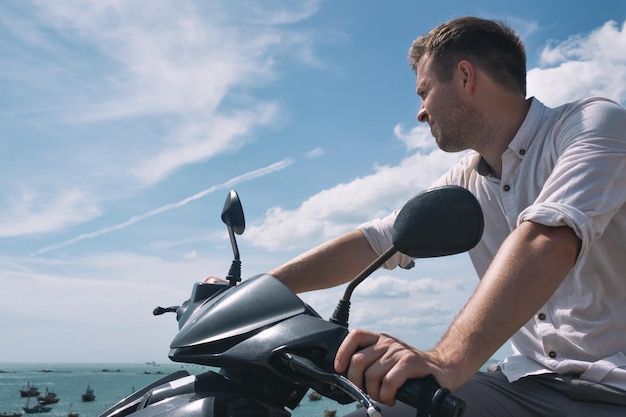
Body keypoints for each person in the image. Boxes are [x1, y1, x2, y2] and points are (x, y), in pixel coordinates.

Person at [207, 16, 626, 416]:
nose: (420, 112)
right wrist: (250, 294)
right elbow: (376, 241)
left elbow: (546, 239)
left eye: (424, 92)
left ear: (465, 77)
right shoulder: (465, 181)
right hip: (527, 384)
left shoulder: (593, 124)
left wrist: (446, 358)